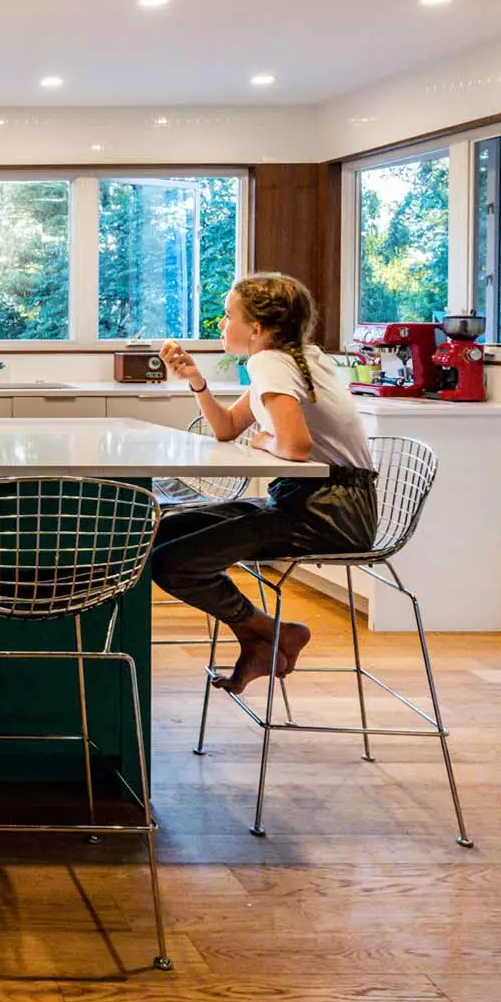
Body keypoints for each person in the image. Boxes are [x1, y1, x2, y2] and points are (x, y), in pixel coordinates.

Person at [151, 273, 378, 695]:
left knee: (172, 561)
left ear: (256, 329)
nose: (221, 324)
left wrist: (266, 440)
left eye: (228, 315)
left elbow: (294, 446)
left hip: (328, 511)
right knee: (163, 534)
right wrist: (196, 382)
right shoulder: (291, 358)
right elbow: (227, 428)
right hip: (319, 502)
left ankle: (269, 632)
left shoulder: (269, 361)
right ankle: (263, 636)